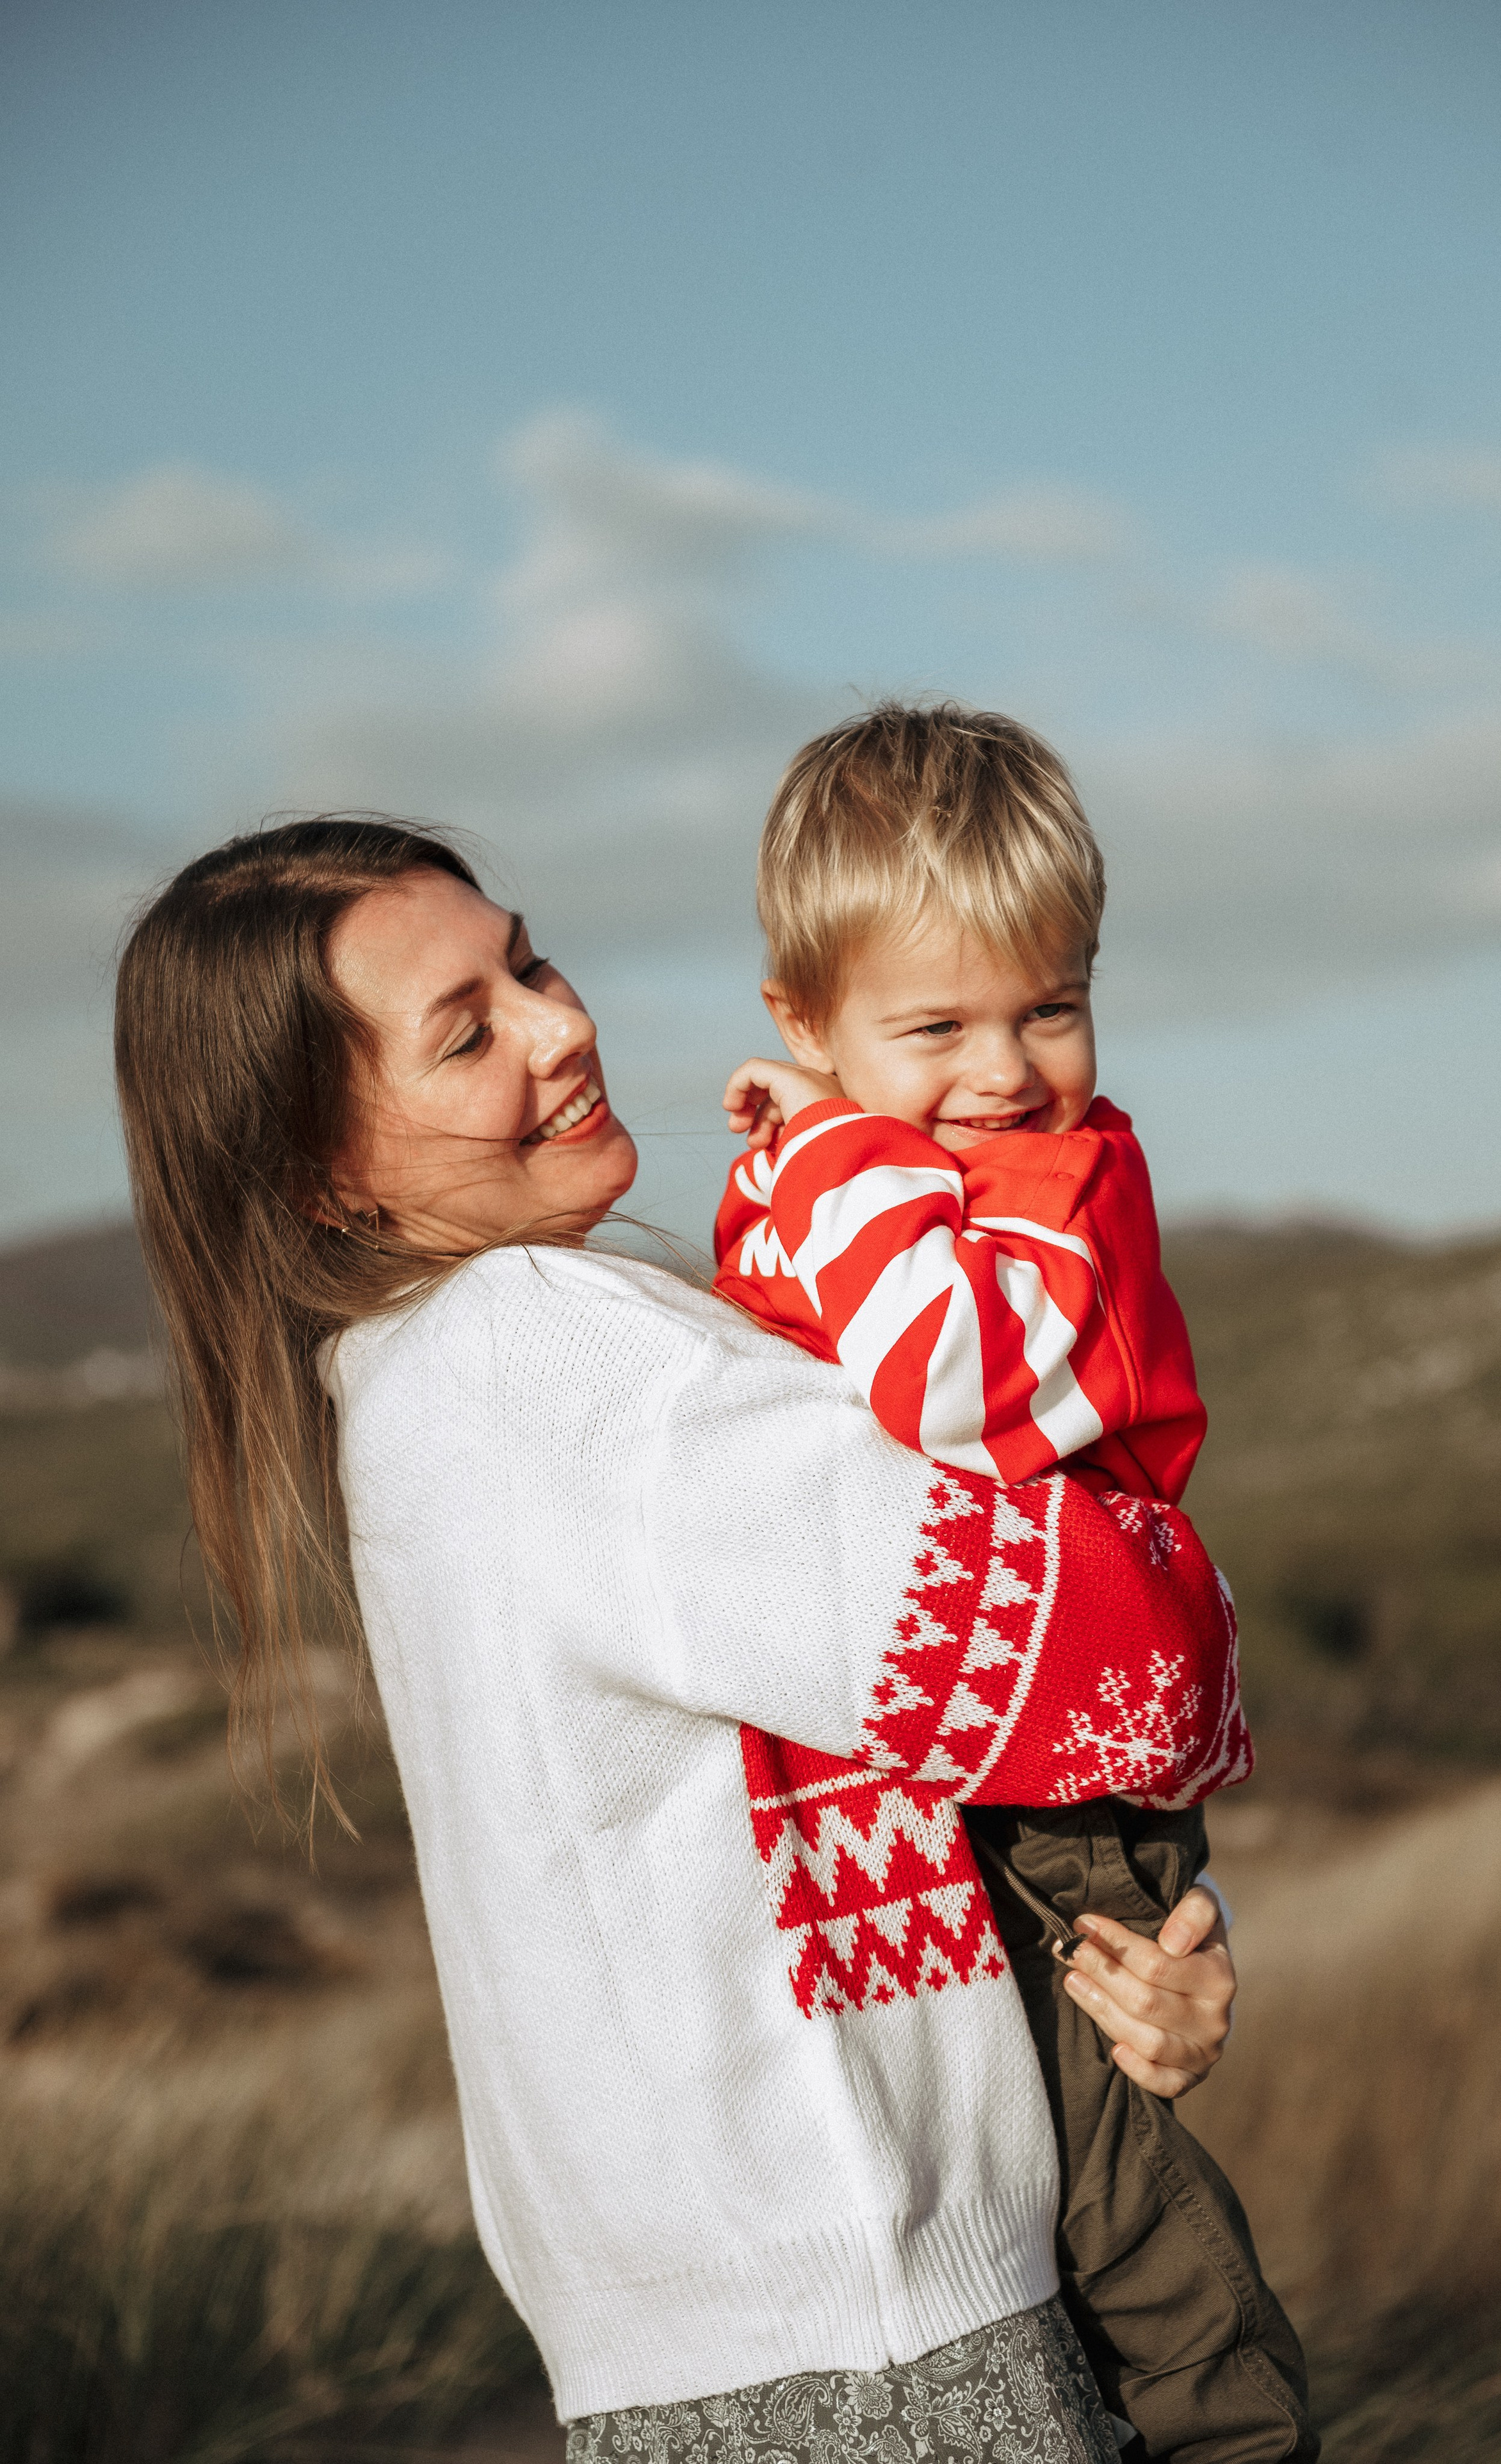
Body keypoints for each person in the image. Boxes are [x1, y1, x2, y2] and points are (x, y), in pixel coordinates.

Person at [115, 815, 1249, 2464]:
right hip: (878, 2360)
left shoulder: (419, 1383)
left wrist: (1160, 1945)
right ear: (321, 1173)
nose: (560, 1026)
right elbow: (1115, 1667)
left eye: (528, 961)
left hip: (748, 2358)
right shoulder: (546, 1361)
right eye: (467, 1030)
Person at [714, 705, 1316, 2464]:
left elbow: (943, 1382)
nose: (1004, 1070)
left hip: (1069, 1772)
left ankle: (1236, 2439)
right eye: (937, 1026)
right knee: (987, 2186)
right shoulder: (901, 1177)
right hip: (947, 1743)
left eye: (1051, 1006)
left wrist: (828, 1139)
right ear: (804, 1020)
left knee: (1106, 2188)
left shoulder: (1061, 1193)